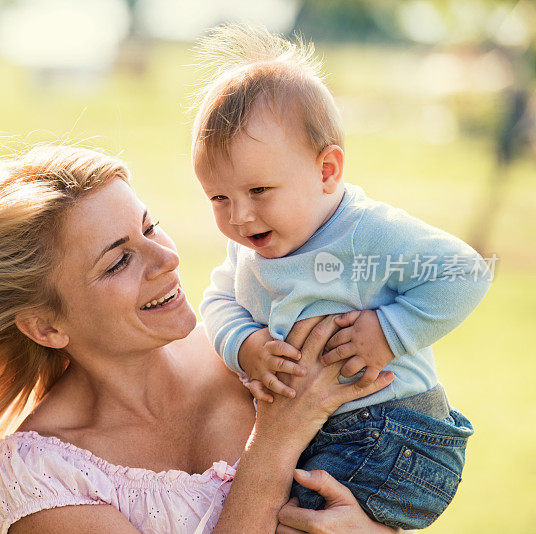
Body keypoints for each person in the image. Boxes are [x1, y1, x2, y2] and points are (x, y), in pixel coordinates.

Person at [0, 144, 397, 533]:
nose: (165, 258)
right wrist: (279, 437)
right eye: (118, 262)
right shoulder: (43, 475)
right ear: (47, 326)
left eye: (149, 228)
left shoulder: (257, 336)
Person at [191, 25, 490, 530]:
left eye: (260, 190)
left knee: (281, 520)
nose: (239, 216)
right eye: (219, 198)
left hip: (396, 430)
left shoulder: (364, 231)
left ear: (327, 171)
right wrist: (245, 344)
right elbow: (218, 300)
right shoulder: (247, 244)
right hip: (323, 431)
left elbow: (464, 271)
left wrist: (386, 333)